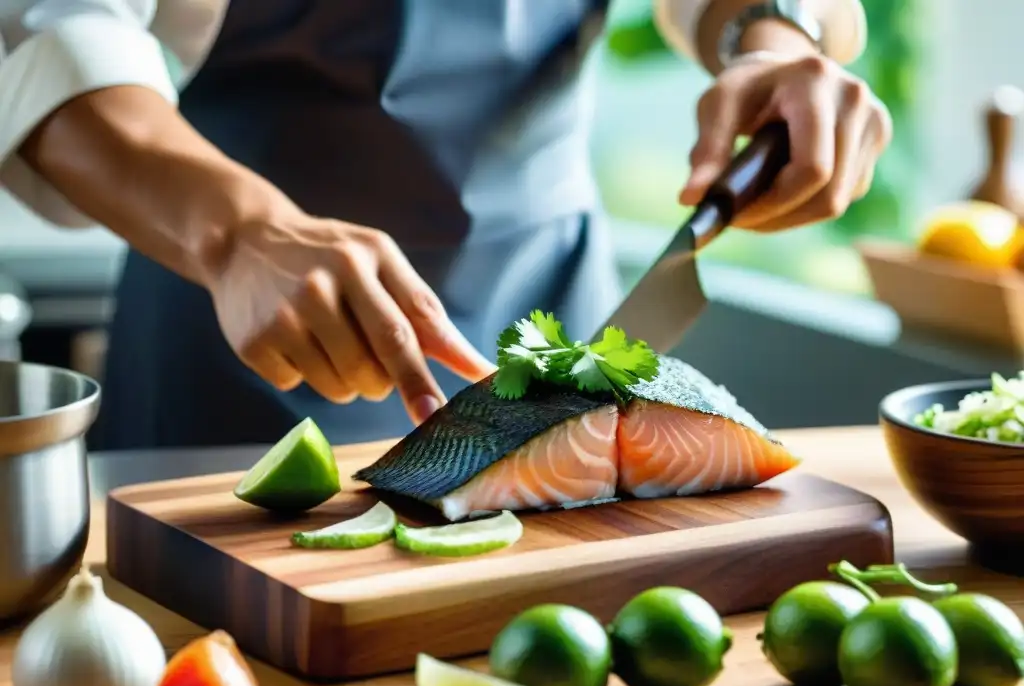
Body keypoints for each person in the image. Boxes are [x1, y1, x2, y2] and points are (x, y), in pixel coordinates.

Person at [0, 0, 888, 449]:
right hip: (235, 315)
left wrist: (780, 40)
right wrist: (238, 234)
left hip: (552, 313)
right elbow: (47, 36)